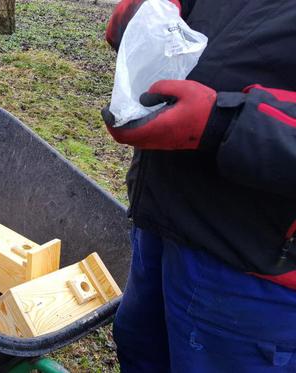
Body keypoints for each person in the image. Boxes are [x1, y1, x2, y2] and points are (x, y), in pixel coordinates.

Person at [101, 0, 296, 372]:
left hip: (255, 263)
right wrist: (145, 14)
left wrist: (225, 123)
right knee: (139, 350)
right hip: (161, 216)